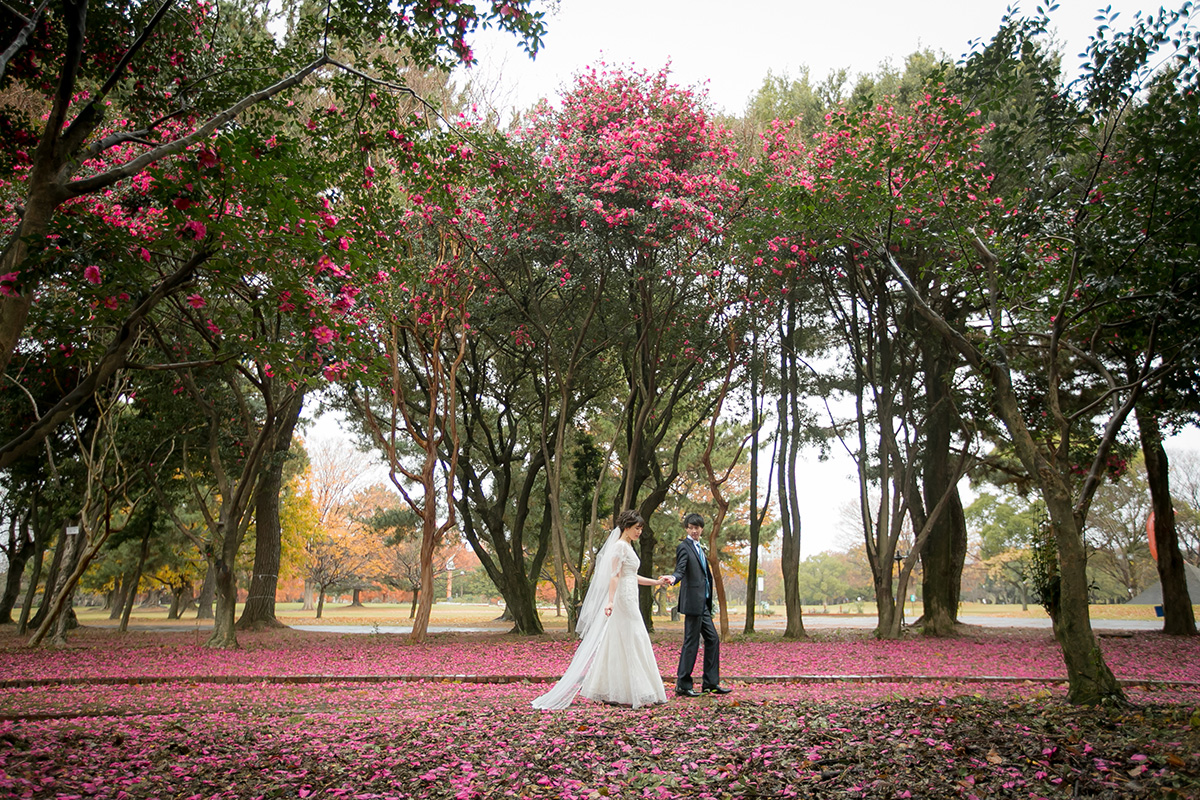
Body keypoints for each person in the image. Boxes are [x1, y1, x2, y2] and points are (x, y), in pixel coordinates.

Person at [532, 510, 670, 710]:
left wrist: (656, 582)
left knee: (623, 638)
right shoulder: (620, 547)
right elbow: (614, 576)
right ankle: (631, 690)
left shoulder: (629, 547)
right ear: (626, 527)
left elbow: (631, 576)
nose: (639, 532)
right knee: (633, 636)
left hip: (630, 595)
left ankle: (620, 689)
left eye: (641, 529)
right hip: (622, 598)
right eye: (636, 528)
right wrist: (611, 601)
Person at [661, 513, 731, 697]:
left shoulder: (700, 548)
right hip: (693, 603)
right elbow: (681, 569)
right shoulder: (684, 547)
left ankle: (710, 683)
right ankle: (683, 685)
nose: (694, 531)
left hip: (703, 604)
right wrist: (673, 578)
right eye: (691, 527)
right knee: (691, 643)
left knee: (713, 640)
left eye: (697, 527)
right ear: (686, 529)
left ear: (702, 529)